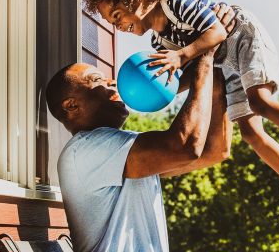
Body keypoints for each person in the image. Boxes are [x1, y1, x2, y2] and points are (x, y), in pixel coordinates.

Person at [81, 0, 279, 223]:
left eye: (117, 15)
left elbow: (216, 33)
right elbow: (191, 75)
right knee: (250, 133)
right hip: (225, 65)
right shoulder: (160, 43)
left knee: (259, 101)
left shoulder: (176, 4)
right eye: (112, 22)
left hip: (242, 37)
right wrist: (159, 86)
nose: (117, 25)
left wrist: (180, 57)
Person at [46, 47, 231, 251]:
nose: (113, 83)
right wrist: (205, 54)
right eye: (97, 80)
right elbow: (185, 147)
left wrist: (217, 75)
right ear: (71, 105)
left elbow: (215, 151)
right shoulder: (84, 150)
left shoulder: (118, 149)